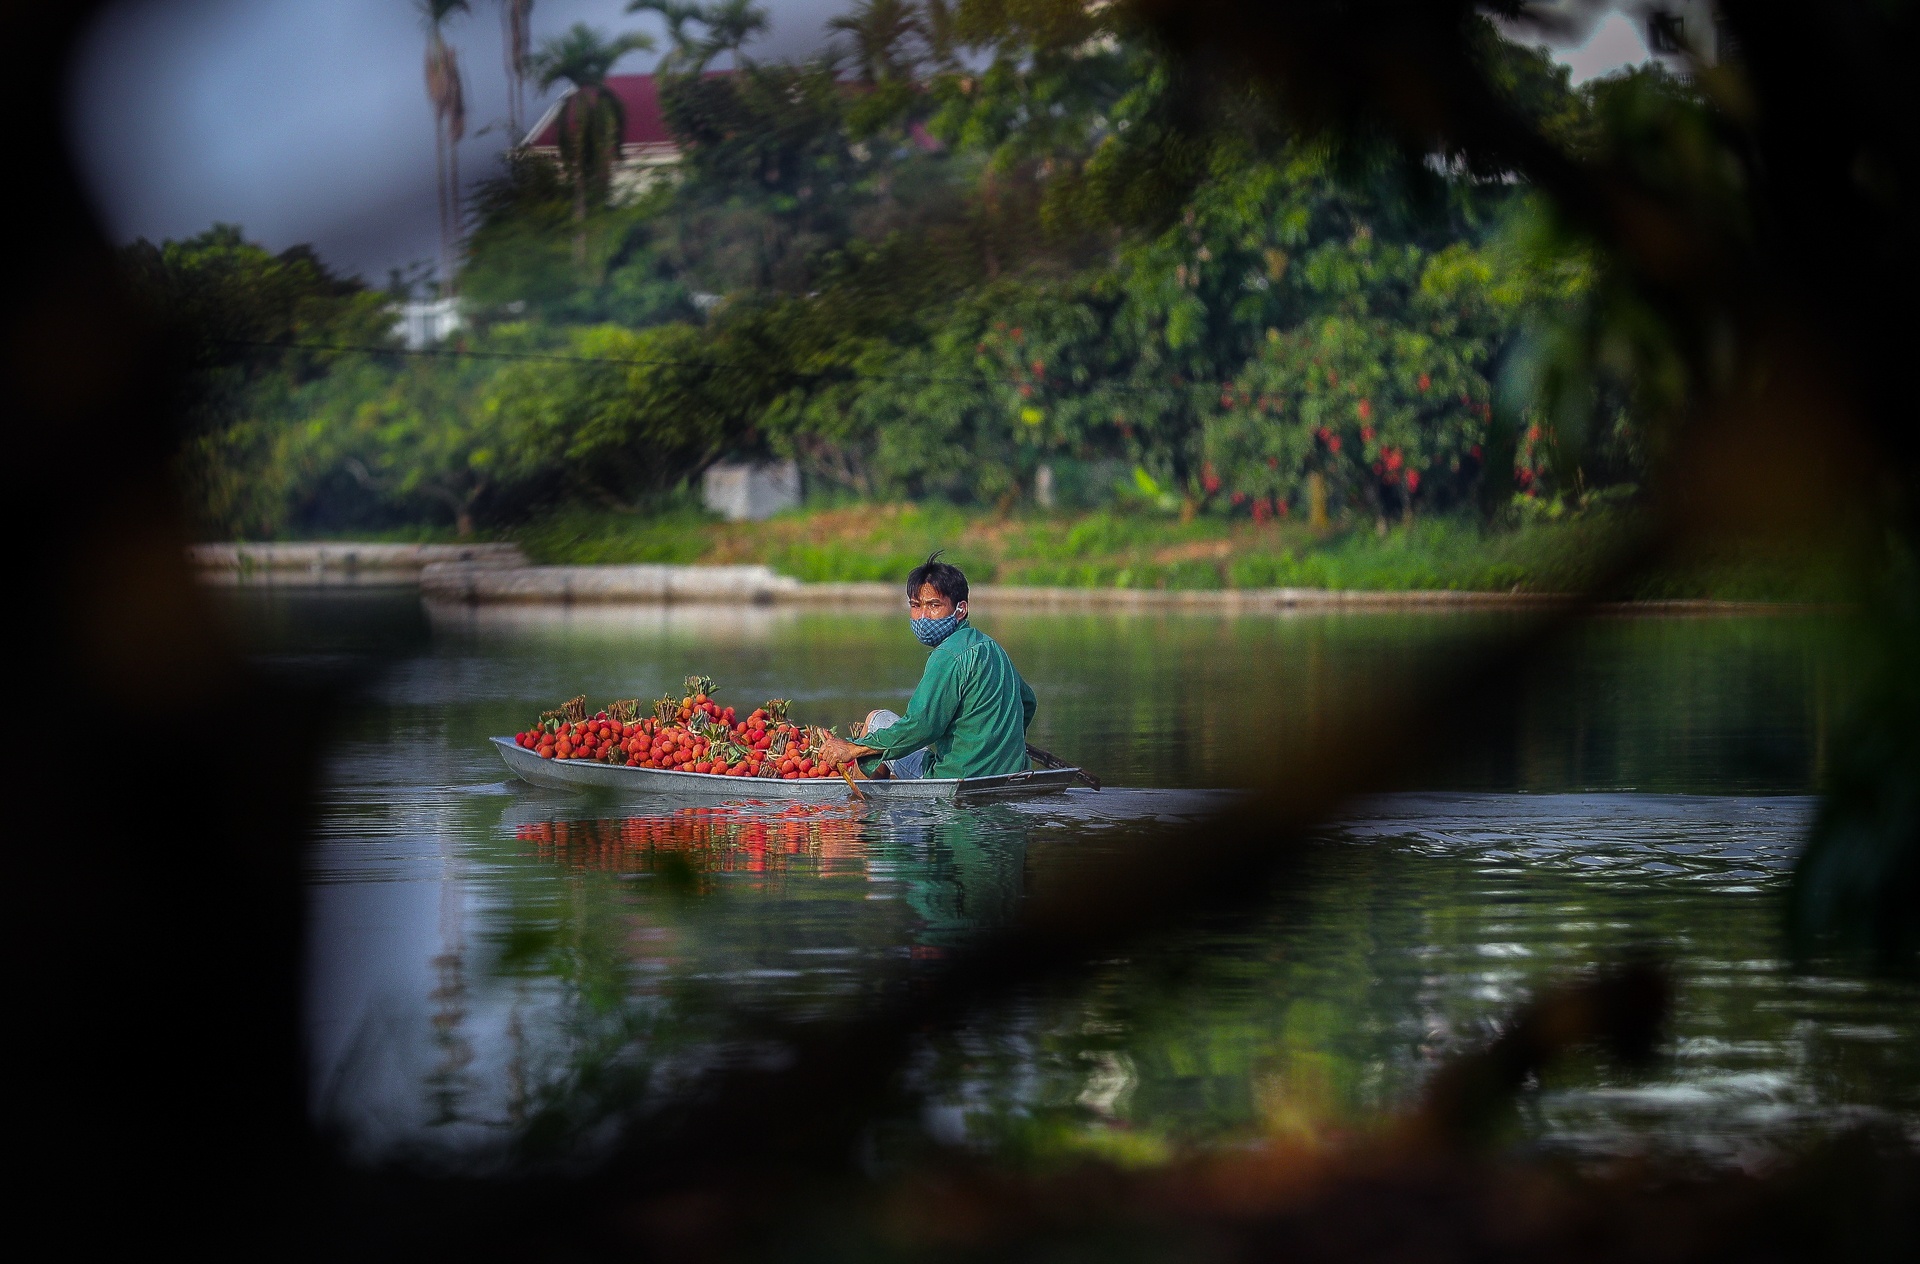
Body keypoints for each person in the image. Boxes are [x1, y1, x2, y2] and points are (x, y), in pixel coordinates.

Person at [817, 553, 1036, 780]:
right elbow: (1028, 702)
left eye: (934, 605)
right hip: (1013, 771)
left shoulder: (948, 655)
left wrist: (854, 749)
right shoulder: (991, 647)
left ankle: (860, 809)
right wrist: (1000, 741)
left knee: (876, 720)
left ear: (960, 610)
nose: (923, 617)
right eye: (915, 605)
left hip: (956, 776)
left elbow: (921, 726)